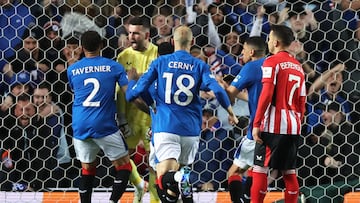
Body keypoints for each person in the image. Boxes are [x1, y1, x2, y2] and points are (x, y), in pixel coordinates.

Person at [125, 25, 238, 203]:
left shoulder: (160, 65)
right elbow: (218, 90)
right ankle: (185, 191)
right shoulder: (199, 65)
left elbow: (133, 94)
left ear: (172, 41)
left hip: (166, 128)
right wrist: (231, 112)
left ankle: (178, 178)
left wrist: (131, 82)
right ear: (192, 42)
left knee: (163, 179)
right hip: (191, 131)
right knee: (180, 179)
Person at [66, 30, 132, 203]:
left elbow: (77, 89)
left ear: (81, 48)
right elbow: (128, 94)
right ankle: (112, 201)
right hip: (104, 124)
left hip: (80, 124)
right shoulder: (114, 67)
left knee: (87, 169)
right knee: (124, 166)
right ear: (102, 45)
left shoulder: (72, 70)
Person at [251, 24, 306, 203]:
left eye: (268, 38)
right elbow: (302, 102)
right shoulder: (298, 67)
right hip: (293, 126)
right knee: (289, 173)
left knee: (260, 170)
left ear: (275, 42)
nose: (267, 42)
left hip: (272, 126)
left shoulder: (271, 61)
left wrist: (257, 123)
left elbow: (266, 94)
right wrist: (297, 122)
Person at [116, 16, 159, 203]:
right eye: (129, 33)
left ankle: (155, 199)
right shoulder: (123, 56)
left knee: (154, 161)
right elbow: (119, 91)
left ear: (147, 34)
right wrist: (122, 117)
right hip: (131, 116)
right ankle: (138, 186)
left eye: (136, 33)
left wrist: (136, 77)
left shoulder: (157, 53)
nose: (131, 37)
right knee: (124, 157)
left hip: (151, 115)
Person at [221, 36, 267, 203]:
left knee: (233, 173)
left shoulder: (250, 67)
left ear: (252, 52)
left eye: (244, 49)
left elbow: (229, 95)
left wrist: (221, 88)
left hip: (257, 128)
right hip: (278, 128)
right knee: (259, 171)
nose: (242, 52)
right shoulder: (273, 65)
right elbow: (257, 97)